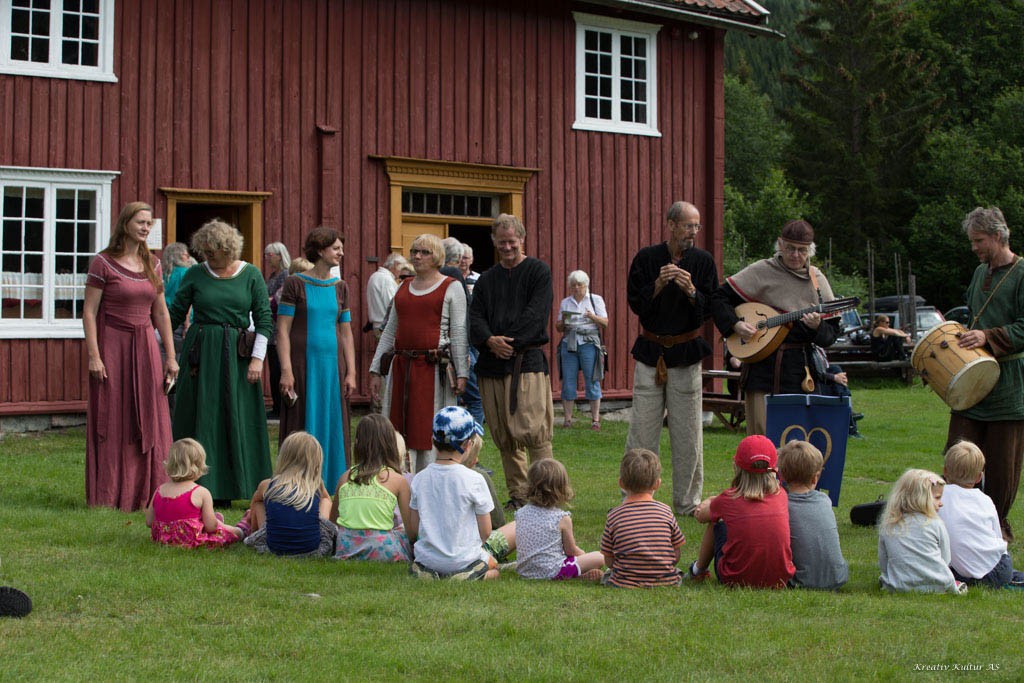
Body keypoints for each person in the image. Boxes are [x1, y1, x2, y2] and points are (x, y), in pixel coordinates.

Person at [168, 219, 273, 503]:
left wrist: (257, 360)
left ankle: (242, 485)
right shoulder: (195, 274)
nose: (208, 258)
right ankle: (197, 484)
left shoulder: (251, 274)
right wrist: (152, 343)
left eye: (213, 252)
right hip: (200, 357)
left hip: (238, 357)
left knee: (237, 416)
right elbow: (174, 314)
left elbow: (264, 319)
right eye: (204, 253)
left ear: (228, 249)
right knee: (203, 415)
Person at [625, 201, 718, 517]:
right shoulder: (647, 259)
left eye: (697, 226)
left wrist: (692, 290)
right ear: (671, 224)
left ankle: (687, 502)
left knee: (688, 433)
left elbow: (709, 310)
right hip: (651, 353)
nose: (693, 232)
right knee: (642, 431)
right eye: (688, 226)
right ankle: (637, 495)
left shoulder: (703, 262)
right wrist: (658, 284)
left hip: (687, 355)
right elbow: (637, 305)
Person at [83, 201, 177, 511]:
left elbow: (160, 311)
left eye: (150, 223)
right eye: (141, 222)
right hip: (113, 346)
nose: (146, 227)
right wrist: (95, 356)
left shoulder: (154, 264)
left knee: (151, 414)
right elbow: (89, 312)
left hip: (146, 346)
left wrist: (170, 356)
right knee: (114, 418)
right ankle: (110, 493)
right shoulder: (103, 263)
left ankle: (150, 491)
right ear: (126, 224)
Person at [711, 220, 841, 437]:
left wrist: (817, 326)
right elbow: (718, 297)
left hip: (801, 371)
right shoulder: (762, 270)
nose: (795, 255)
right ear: (780, 245)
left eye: (802, 250)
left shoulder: (817, 280)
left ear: (810, 250)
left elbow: (830, 336)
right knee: (761, 437)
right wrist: (735, 325)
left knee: (798, 439)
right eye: (790, 248)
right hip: (762, 367)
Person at [945, 206, 1024, 542]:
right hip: (972, 380)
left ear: (998, 235)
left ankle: (995, 531)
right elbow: (973, 318)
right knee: (957, 451)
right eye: (971, 241)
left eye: (979, 240)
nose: (974, 247)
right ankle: (953, 523)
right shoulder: (980, 272)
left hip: (1008, 383)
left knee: (1003, 464)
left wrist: (989, 336)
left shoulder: (1021, 273)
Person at [469, 214, 554, 509]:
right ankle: (519, 495)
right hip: (492, 365)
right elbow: (475, 317)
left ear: (522, 239)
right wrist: (490, 340)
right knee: (505, 435)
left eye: (512, 242)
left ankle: (546, 493)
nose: (507, 247)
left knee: (533, 431)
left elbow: (536, 314)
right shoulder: (486, 279)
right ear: (494, 241)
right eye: (501, 241)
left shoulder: (537, 272)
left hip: (526, 362)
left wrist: (510, 342)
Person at [368, 235, 468, 472]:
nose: (417, 256)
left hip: (433, 370)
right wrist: (375, 369)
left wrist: (462, 373)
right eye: (414, 251)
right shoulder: (403, 287)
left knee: (428, 428)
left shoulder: (451, 287)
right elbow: (391, 329)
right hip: (402, 368)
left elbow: (459, 332)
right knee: (397, 427)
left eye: (424, 252)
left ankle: (431, 476)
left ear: (437, 257)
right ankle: (398, 476)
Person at [276, 227, 356, 490]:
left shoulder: (341, 287)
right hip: (302, 365)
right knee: (301, 421)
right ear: (320, 250)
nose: (341, 253)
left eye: (341, 248)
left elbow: (346, 333)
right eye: (336, 248)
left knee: (334, 421)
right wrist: (286, 370)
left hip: (333, 366)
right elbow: (283, 330)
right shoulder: (295, 283)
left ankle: (333, 484)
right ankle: (297, 483)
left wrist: (352, 372)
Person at [408, 407, 517, 580]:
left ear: (433, 441)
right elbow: (486, 532)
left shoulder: (419, 479)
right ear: (468, 445)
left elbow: (413, 530)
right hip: (464, 559)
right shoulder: (475, 479)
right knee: (494, 570)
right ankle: (470, 573)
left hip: (427, 559)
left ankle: (427, 572)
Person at [688, 435, 795, 589]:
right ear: (774, 468)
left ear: (736, 466)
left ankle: (698, 570)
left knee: (716, 523)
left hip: (734, 577)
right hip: (780, 579)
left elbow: (701, 515)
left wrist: (711, 500)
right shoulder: (782, 496)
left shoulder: (727, 499)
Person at [939, 441, 1024, 589]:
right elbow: (997, 536)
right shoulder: (985, 500)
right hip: (999, 569)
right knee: (1005, 572)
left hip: (959, 573)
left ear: (945, 471)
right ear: (979, 477)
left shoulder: (937, 498)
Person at [331, 414, 413, 562]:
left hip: (346, 548)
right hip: (382, 549)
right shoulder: (398, 480)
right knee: (402, 530)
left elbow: (333, 521)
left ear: (357, 443)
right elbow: (411, 531)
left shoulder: (345, 477)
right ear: (390, 444)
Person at [243, 431, 337, 557]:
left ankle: (253, 533)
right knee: (325, 500)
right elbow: (326, 499)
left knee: (259, 501)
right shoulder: (315, 485)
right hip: (314, 550)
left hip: (272, 548)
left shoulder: (268, 485)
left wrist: (252, 521)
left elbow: (255, 502)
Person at [600, 448, 685, 587]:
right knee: (678, 572)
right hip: (666, 580)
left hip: (625, 580)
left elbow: (608, 559)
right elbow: (676, 553)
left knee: (608, 575)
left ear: (621, 483)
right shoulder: (666, 511)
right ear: (657, 484)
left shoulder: (614, 516)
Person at [878, 469, 965, 594]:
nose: (941, 504)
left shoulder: (888, 525)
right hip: (938, 586)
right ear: (922, 498)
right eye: (937, 498)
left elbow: (883, 562)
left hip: (898, 586)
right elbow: (945, 559)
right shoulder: (935, 523)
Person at [516, 459, 604, 581]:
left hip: (525, 571)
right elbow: (571, 550)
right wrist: (584, 555)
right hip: (553, 571)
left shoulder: (521, 513)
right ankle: (577, 576)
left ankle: (577, 574)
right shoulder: (561, 518)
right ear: (561, 489)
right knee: (600, 557)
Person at [776, 440, 849, 590]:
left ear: (781, 476)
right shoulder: (824, 501)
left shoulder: (782, 506)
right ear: (815, 477)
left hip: (801, 581)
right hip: (838, 577)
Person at [146, 438, 244, 548]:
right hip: (190, 540)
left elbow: (149, 522)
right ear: (198, 466)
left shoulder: (159, 490)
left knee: (209, 520)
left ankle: (209, 518)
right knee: (222, 529)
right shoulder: (201, 492)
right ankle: (240, 531)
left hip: (162, 539)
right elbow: (211, 527)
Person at [556, 270, 608, 431]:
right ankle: (567, 420)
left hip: (588, 342)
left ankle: (595, 420)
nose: (576, 288)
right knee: (568, 381)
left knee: (592, 379)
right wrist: (564, 320)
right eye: (573, 285)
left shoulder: (595, 299)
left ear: (586, 285)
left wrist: (592, 316)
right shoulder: (566, 302)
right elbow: (558, 327)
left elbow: (605, 322)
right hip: (569, 341)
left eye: (579, 285)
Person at [264, 242, 292, 419]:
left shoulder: (285, 275)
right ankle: (276, 406)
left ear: (280, 256)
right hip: (270, 329)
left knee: (279, 369)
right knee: (273, 369)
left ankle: (281, 407)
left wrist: (266, 300)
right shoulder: (272, 276)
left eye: (270, 255)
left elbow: (279, 298)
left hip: (279, 328)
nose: (267, 258)